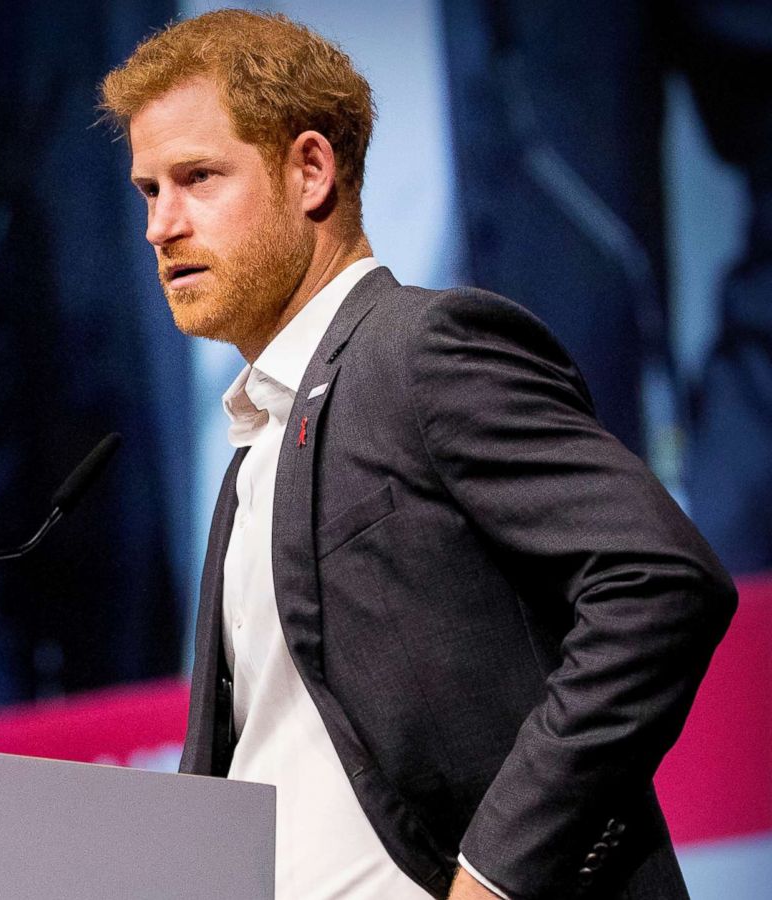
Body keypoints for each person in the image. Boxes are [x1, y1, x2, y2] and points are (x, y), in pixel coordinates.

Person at [99, 10, 736, 900]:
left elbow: (661, 579)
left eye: (197, 179)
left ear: (310, 170)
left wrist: (494, 876)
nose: (160, 228)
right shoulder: (255, 450)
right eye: (148, 191)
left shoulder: (422, 348)